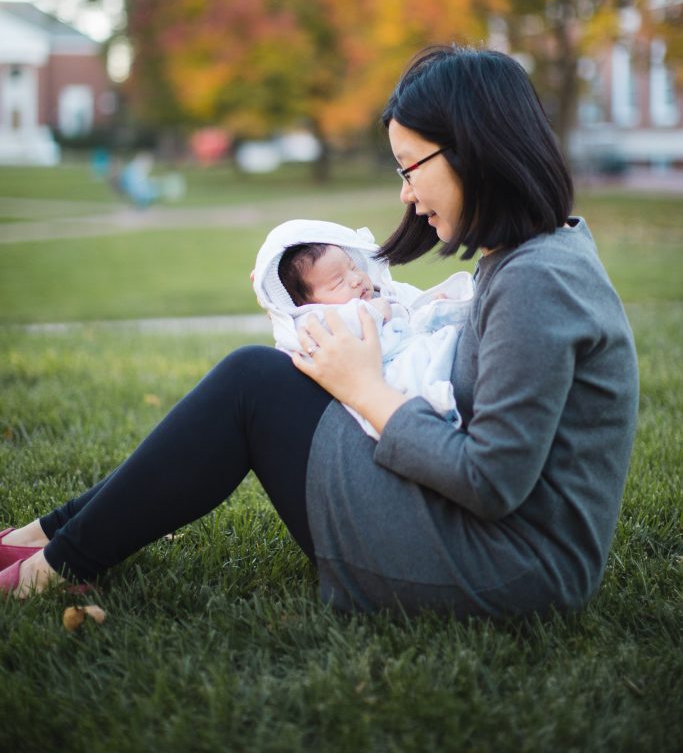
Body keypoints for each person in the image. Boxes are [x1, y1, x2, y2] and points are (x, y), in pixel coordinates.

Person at [1, 45, 639, 619]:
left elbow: (492, 481)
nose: (408, 197)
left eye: (410, 168)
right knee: (262, 378)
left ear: (474, 149)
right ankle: (47, 541)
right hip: (494, 544)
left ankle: (49, 566)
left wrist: (364, 390)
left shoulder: (538, 282)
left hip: (507, 569)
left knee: (252, 383)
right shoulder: (529, 258)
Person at [252, 218, 474, 438]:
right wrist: (373, 312)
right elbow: (334, 330)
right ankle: (434, 415)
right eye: (338, 282)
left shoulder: (383, 294)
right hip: (387, 389)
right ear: (309, 305)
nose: (356, 279)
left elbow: (413, 308)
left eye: (353, 267)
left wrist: (434, 305)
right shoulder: (315, 321)